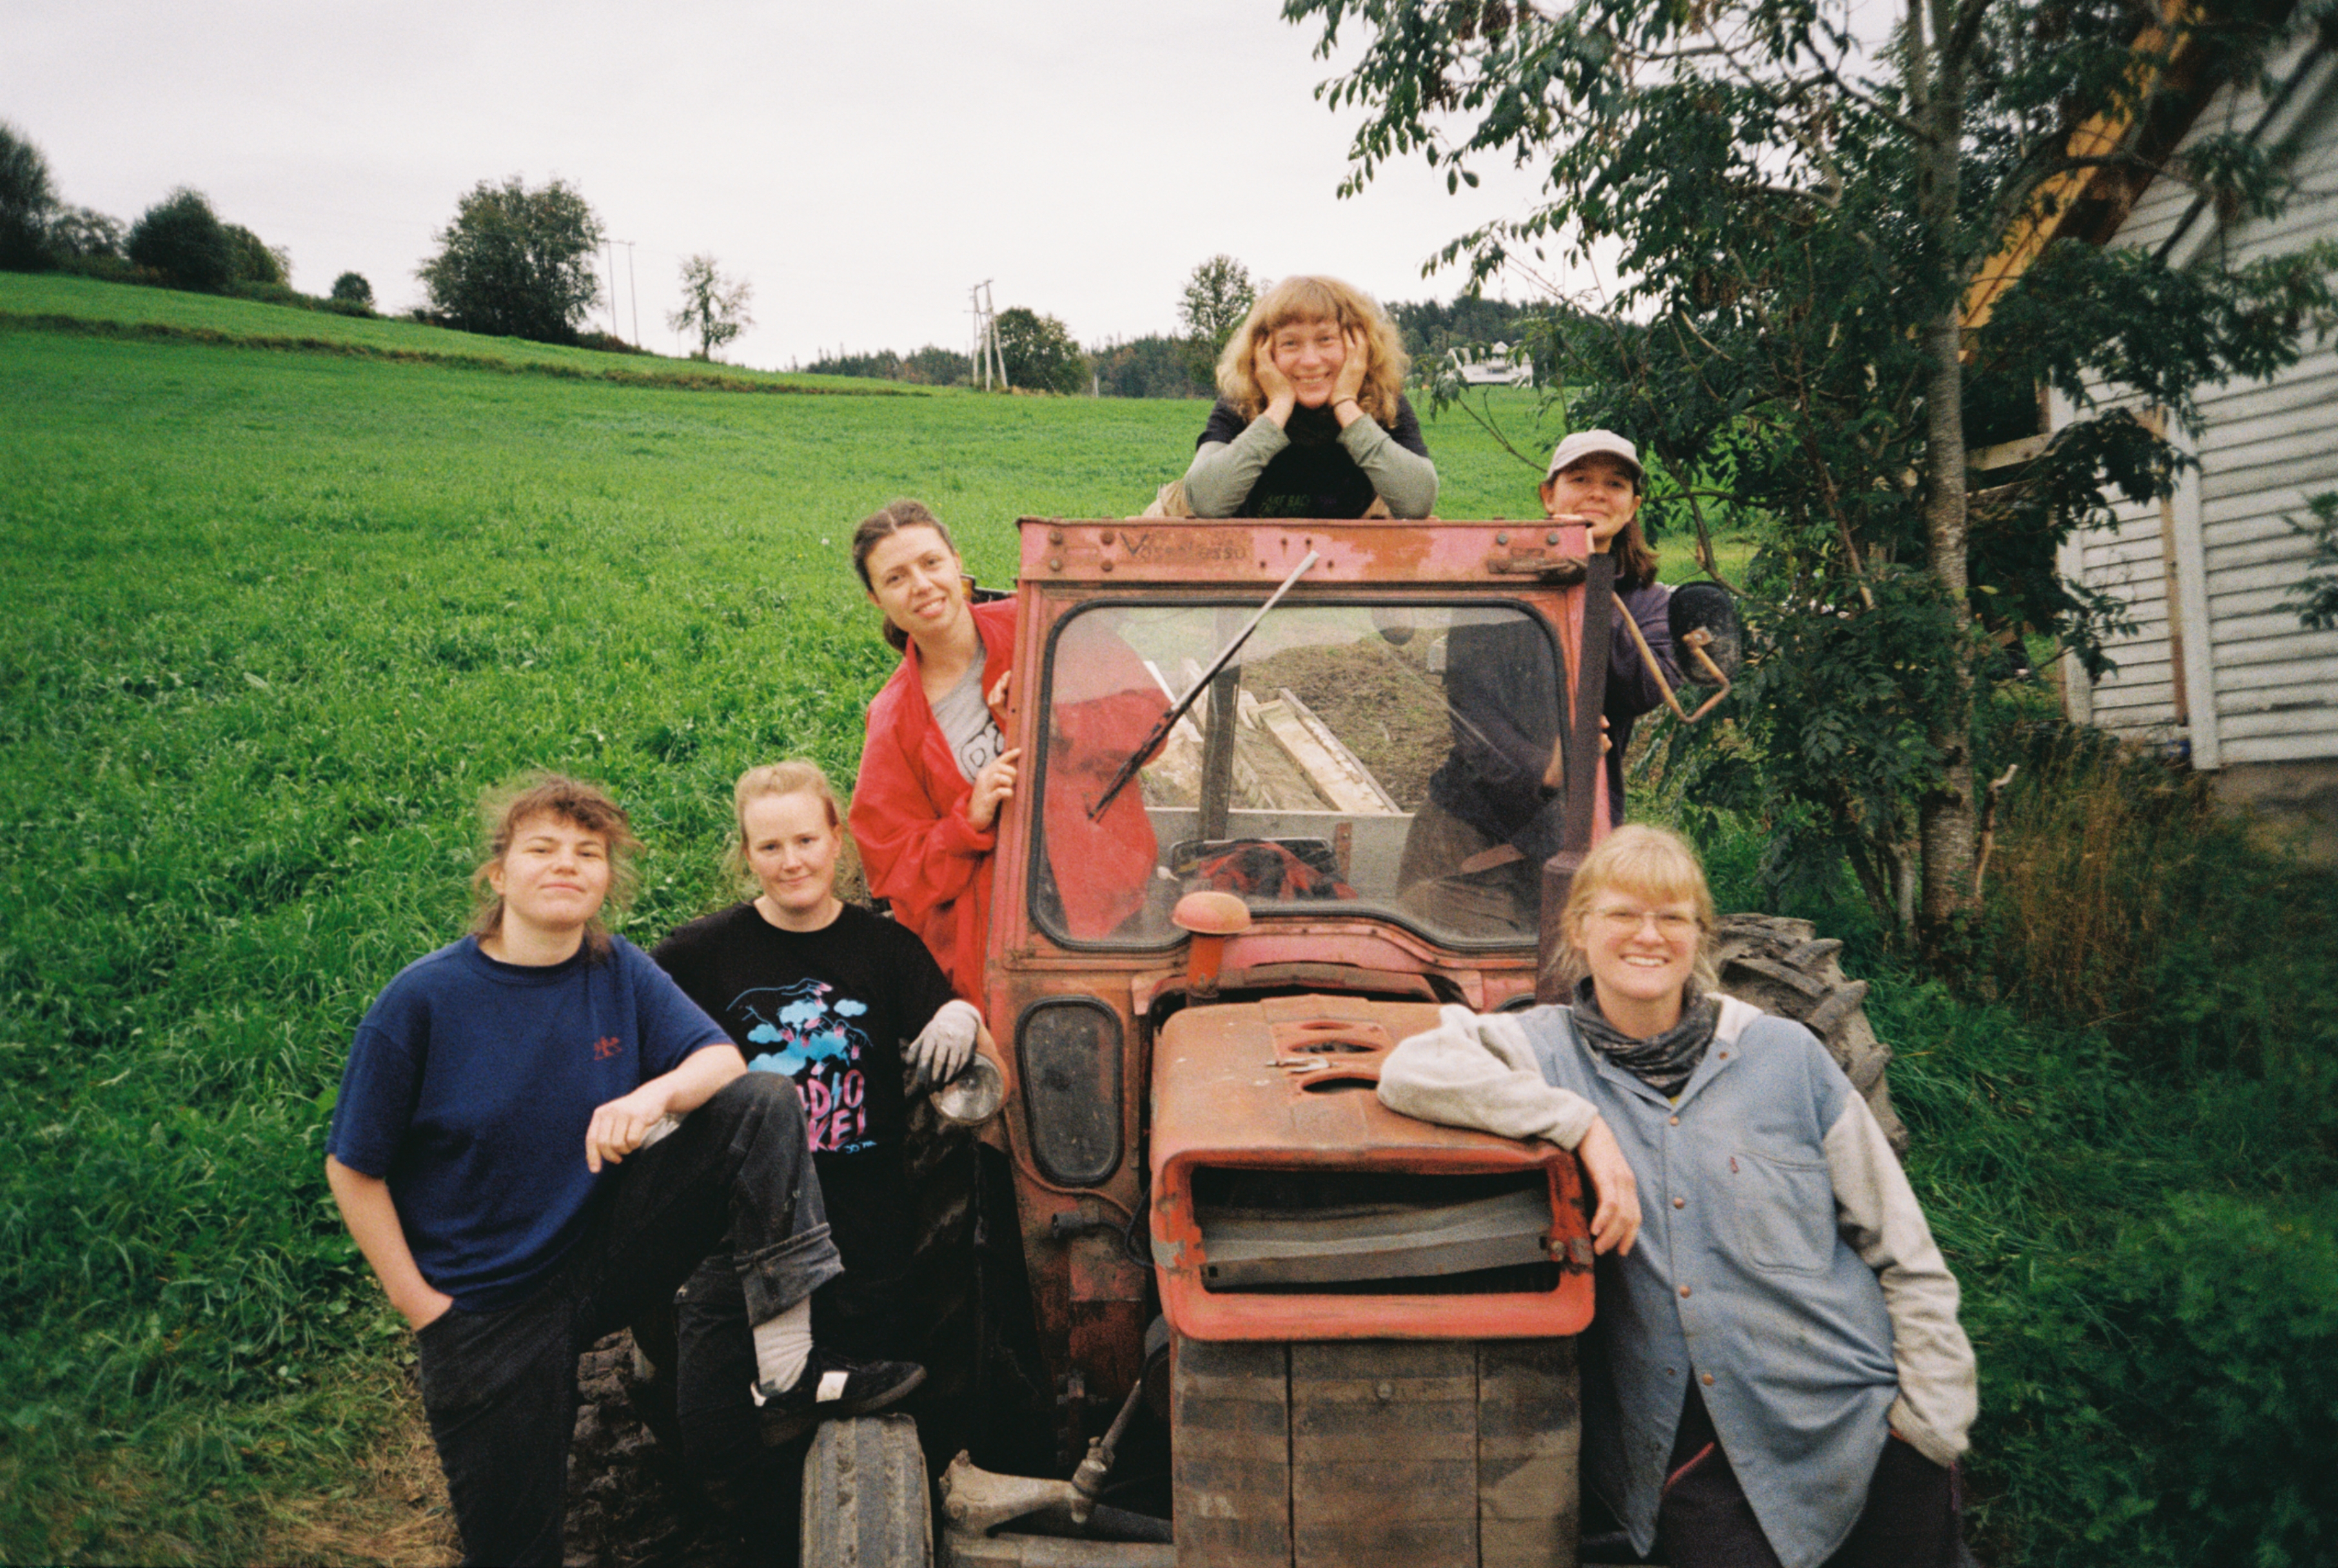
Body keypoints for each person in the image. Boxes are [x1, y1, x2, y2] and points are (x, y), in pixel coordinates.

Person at [324, 775, 922, 1568]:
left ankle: (786, 1367)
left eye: (588, 852)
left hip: (598, 1259)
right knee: (518, 1548)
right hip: (487, 1308)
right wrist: (426, 1309)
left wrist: (651, 1095)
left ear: (608, 876)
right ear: (499, 873)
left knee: (761, 1102)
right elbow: (353, 1167)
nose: (565, 865)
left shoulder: (616, 969)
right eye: (542, 849)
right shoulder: (424, 1002)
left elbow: (718, 1059)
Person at [1378, 825, 1975, 1568]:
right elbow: (1409, 1069)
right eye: (1622, 913)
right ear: (1578, 928)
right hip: (1697, 1454)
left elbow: (1905, 1251)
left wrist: (1929, 1425)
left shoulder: (1785, 1056)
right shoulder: (1544, 1050)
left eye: (1671, 917)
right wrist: (1581, 1123)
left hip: (1862, 1425)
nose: (1647, 936)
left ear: (1699, 936)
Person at [651, 760, 977, 1553]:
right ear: (746, 853)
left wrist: (961, 1013)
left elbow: (947, 1017)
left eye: (805, 838)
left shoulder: (882, 948)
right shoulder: (700, 954)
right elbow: (637, 1035)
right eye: (770, 845)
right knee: (718, 1431)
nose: (791, 859)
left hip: (861, 1234)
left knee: (864, 1416)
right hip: (737, 1238)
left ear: (837, 839)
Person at [848, 500, 1159, 997]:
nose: (922, 586)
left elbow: (1152, 722)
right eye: (896, 578)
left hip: (1107, 912)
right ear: (876, 599)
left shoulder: (1043, 628)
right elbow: (893, 870)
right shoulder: (893, 719)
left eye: (931, 563)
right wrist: (966, 821)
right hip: (998, 950)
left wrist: (1057, 716)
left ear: (956, 561)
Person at [1182, 275, 1437, 520]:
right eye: (1290, 344)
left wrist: (1347, 404)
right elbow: (1205, 501)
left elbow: (1418, 502)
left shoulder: (1381, 398)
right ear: (1263, 353)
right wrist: (1278, 407)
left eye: (1326, 339)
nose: (1311, 361)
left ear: (1358, 344)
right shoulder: (1241, 399)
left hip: (1351, 531)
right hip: (1244, 538)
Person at [1541, 428, 1692, 827]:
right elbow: (1473, 703)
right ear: (1548, 495)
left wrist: (1591, 580)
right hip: (1475, 820)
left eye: (1615, 484)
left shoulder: (1653, 604)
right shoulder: (1501, 584)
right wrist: (1541, 769)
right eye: (1580, 479)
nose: (1597, 494)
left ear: (1632, 506)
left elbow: (1639, 688)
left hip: (1584, 819)